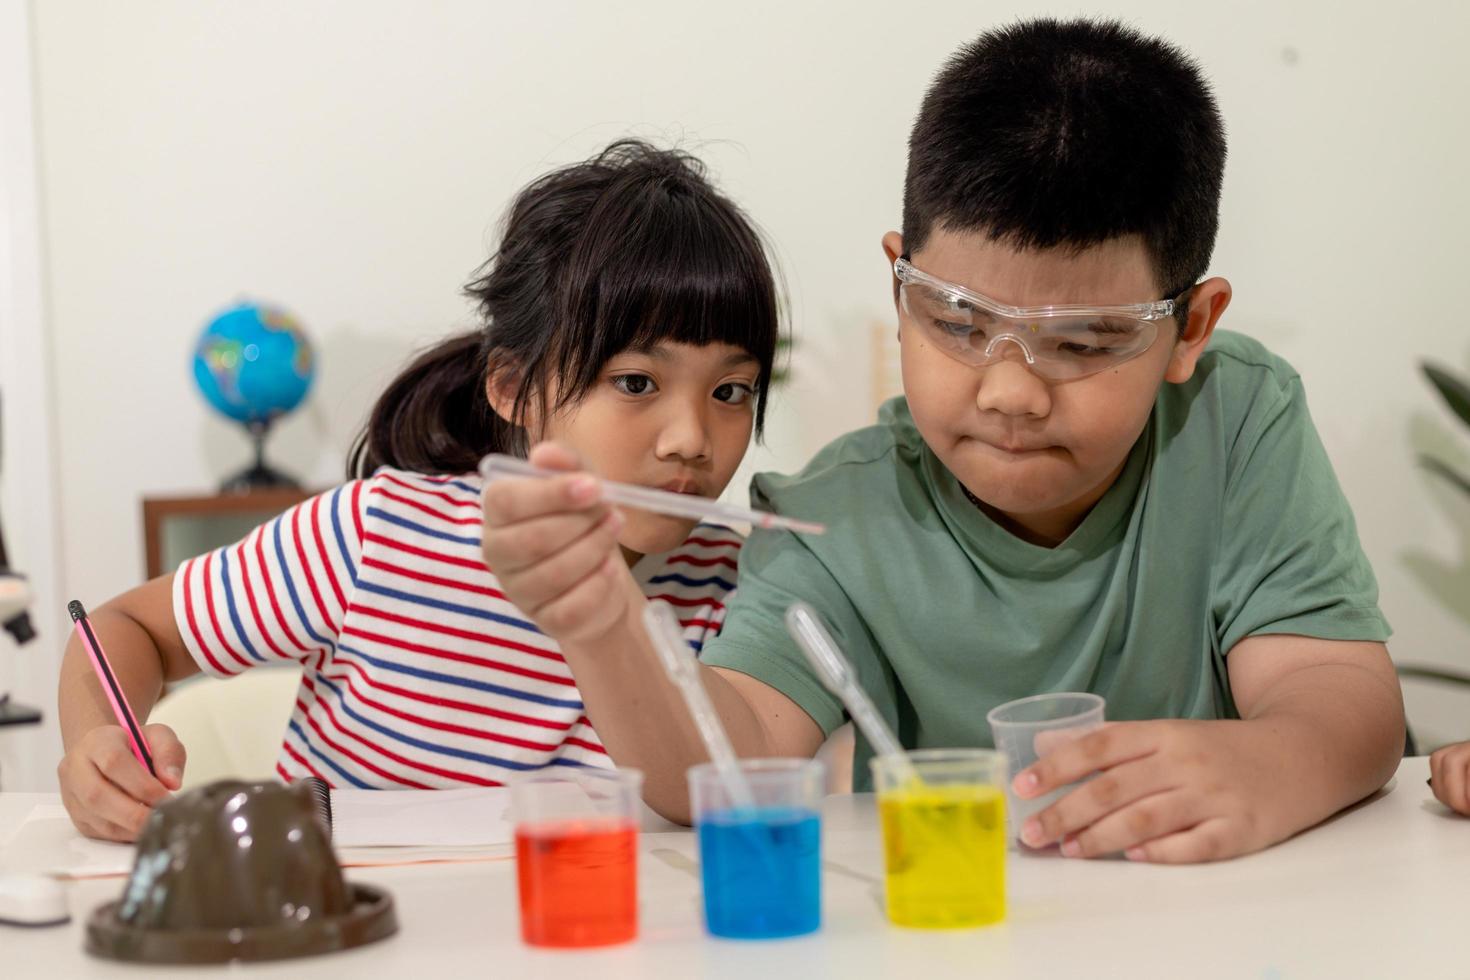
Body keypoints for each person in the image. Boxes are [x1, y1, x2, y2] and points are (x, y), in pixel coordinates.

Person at [481, 19, 1405, 864]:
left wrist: (1277, 761)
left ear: (1190, 329)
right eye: (956, 322)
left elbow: (1334, 685)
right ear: (899, 285)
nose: (1009, 393)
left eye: (1082, 341)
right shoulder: (831, 517)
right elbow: (733, 760)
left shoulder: (1234, 417)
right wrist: (600, 622)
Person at [57, 139, 781, 841]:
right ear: (511, 387)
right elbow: (127, 628)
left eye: (730, 389)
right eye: (635, 382)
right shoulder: (378, 536)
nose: (691, 437)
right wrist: (99, 747)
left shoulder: (741, 588)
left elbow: (737, 799)